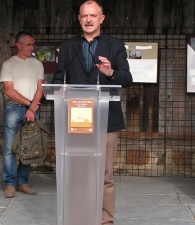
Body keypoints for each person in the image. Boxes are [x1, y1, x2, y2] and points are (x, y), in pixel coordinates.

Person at [52, 1, 133, 224]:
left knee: (104, 175)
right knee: (77, 174)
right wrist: (59, 89)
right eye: (84, 15)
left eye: (93, 15)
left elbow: (127, 78)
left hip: (106, 120)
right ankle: (78, 216)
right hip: (76, 120)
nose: (88, 19)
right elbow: (58, 80)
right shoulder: (68, 46)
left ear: (101, 19)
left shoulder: (115, 45)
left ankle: (105, 220)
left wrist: (110, 72)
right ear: (79, 19)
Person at [0, 31, 44, 198]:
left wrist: (33, 109)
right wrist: (29, 105)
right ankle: (10, 184)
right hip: (14, 108)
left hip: (32, 109)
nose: (32, 48)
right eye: (29, 44)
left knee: (30, 148)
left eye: (33, 45)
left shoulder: (37, 64)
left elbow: (40, 88)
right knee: (10, 148)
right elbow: (9, 90)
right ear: (19, 45)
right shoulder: (8, 64)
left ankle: (22, 182)